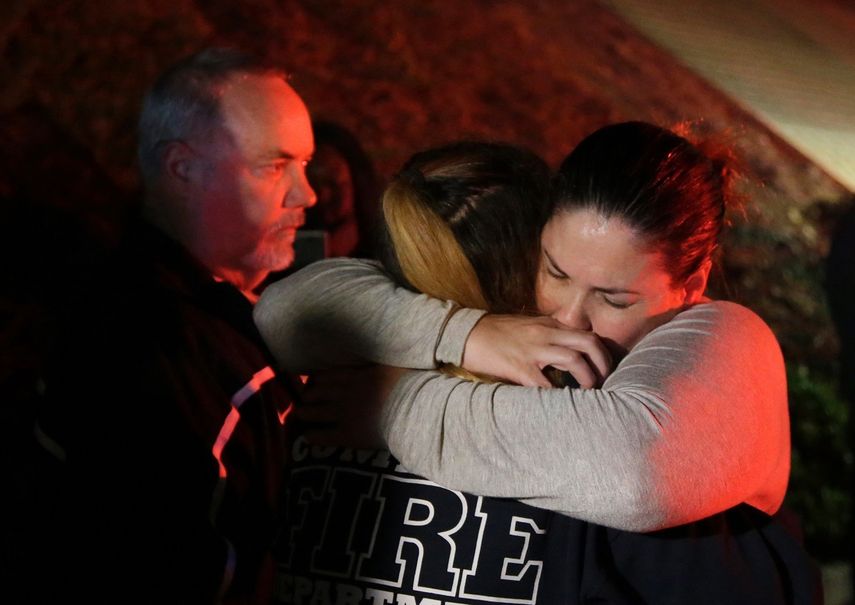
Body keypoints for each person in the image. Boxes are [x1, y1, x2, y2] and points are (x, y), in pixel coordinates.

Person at [255, 124, 821, 603]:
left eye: (614, 298)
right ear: (535, 239)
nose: (571, 318)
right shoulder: (425, 330)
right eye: (554, 271)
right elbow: (285, 315)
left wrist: (390, 405)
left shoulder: (716, 344)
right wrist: (464, 334)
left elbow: (637, 468)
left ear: (692, 284)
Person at [27, 47, 315, 604]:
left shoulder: (223, 308)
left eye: (304, 165)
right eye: (274, 167)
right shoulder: (157, 350)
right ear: (183, 168)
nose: (308, 195)